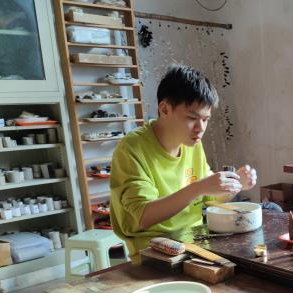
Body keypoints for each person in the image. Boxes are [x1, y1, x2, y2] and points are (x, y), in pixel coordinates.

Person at [110, 64, 257, 257]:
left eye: (205, 119)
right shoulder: (132, 148)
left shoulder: (192, 143)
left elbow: (210, 198)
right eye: (192, 118)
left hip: (196, 240)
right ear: (164, 109)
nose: (200, 128)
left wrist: (234, 185)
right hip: (154, 249)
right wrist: (199, 187)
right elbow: (144, 216)